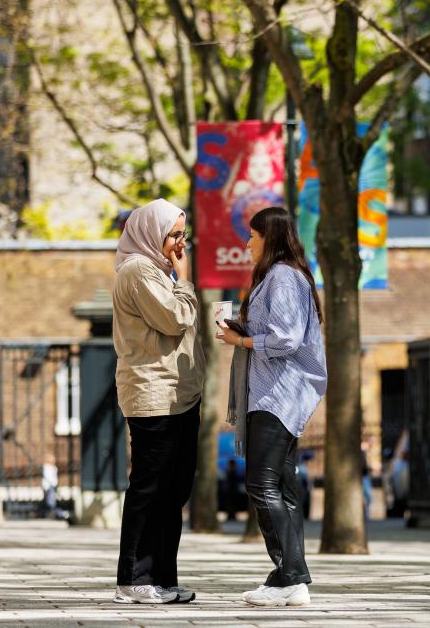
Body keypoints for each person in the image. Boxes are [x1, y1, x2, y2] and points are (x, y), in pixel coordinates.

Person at [217, 206, 326, 608]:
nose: (247, 243)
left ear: (270, 238)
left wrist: (242, 342)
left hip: (278, 395)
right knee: (282, 489)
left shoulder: (281, 277)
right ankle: (287, 578)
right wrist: (244, 330)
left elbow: (286, 340)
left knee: (261, 485)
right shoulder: (280, 277)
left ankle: (291, 577)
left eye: (252, 236)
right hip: (278, 393)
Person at [112, 198, 206, 605]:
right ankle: (133, 577)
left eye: (183, 235)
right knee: (149, 489)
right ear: (152, 233)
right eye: (174, 235)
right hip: (153, 394)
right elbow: (174, 318)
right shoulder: (138, 271)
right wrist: (184, 281)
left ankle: (163, 578)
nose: (180, 244)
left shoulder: (158, 270)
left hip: (179, 393)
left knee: (174, 490)